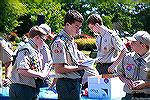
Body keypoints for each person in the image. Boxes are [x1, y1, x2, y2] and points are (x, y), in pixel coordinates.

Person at [50, 10, 86, 100]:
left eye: (80, 27)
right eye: (76, 27)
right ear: (67, 24)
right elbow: (59, 69)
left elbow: (71, 62)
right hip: (67, 84)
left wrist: (80, 62)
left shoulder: (70, 40)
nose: (78, 30)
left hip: (74, 82)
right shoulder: (60, 42)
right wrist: (79, 67)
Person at [9, 25, 51, 100]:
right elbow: (22, 70)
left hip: (29, 88)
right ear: (36, 37)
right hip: (23, 89)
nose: (44, 43)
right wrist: (41, 74)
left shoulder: (34, 49)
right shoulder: (26, 49)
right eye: (43, 40)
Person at [117, 31, 150, 100]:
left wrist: (145, 83)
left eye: (133, 42)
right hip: (128, 96)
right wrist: (126, 80)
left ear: (143, 45)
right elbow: (119, 73)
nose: (130, 43)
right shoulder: (126, 57)